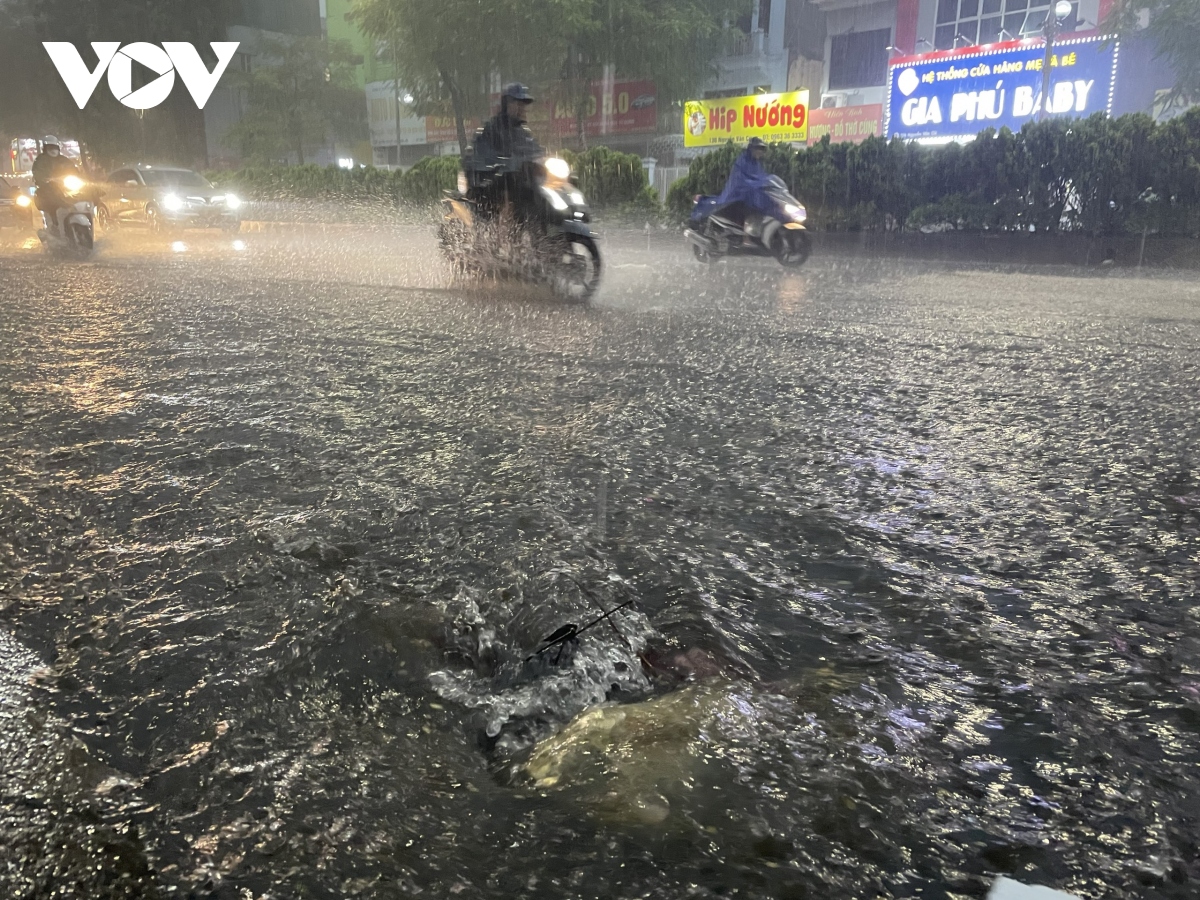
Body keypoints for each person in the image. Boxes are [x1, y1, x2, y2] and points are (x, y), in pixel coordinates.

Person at [468, 83, 543, 222]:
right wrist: (501, 163)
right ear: (506, 104)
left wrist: (542, 159)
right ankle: (503, 232)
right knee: (506, 185)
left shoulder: (523, 132)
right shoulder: (491, 128)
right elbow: (482, 154)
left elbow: (536, 151)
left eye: (523, 104)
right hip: (494, 183)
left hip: (521, 182)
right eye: (518, 103)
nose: (522, 108)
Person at [713, 137, 773, 243]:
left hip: (749, 194)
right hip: (736, 195)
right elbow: (741, 177)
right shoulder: (743, 160)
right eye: (757, 148)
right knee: (749, 212)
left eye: (761, 149)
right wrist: (753, 184)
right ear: (751, 149)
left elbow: (762, 176)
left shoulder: (756, 163)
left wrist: (769, 184)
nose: (760, 151)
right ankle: (746, 238)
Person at [31, 136, 80, 232]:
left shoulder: (64, 160)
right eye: (50, 147)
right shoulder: (40, 160)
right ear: (45, 148)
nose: (52, 149)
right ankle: (53, 226)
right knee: (50, 204)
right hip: (48, 189)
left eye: (54, 147)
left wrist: (79, 177)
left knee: (82, 195)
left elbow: (74, 170)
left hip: (65, 188)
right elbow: (37, 172)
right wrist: (44, 180)